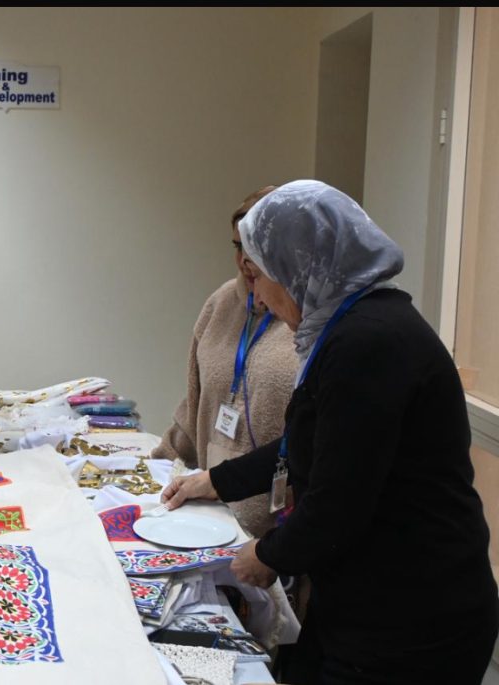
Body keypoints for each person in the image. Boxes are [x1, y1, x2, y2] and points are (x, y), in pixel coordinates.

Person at [161, 180, 499, 685]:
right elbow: (310, 445)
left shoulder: (368, 343)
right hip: (368, 597)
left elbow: (341, 497)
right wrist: (218, 480)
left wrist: (267, 556)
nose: (257, 293)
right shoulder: (349, 326)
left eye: (261, 276)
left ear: (296, 269)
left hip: (413, 616)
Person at [153, 185, 297, 537]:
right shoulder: (221, 304)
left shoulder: (305, 319)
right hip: (209, 512)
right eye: (237, 246)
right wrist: (161, 463)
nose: (245, 260)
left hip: (277, 524)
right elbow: (197, 398)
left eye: (255, 248)